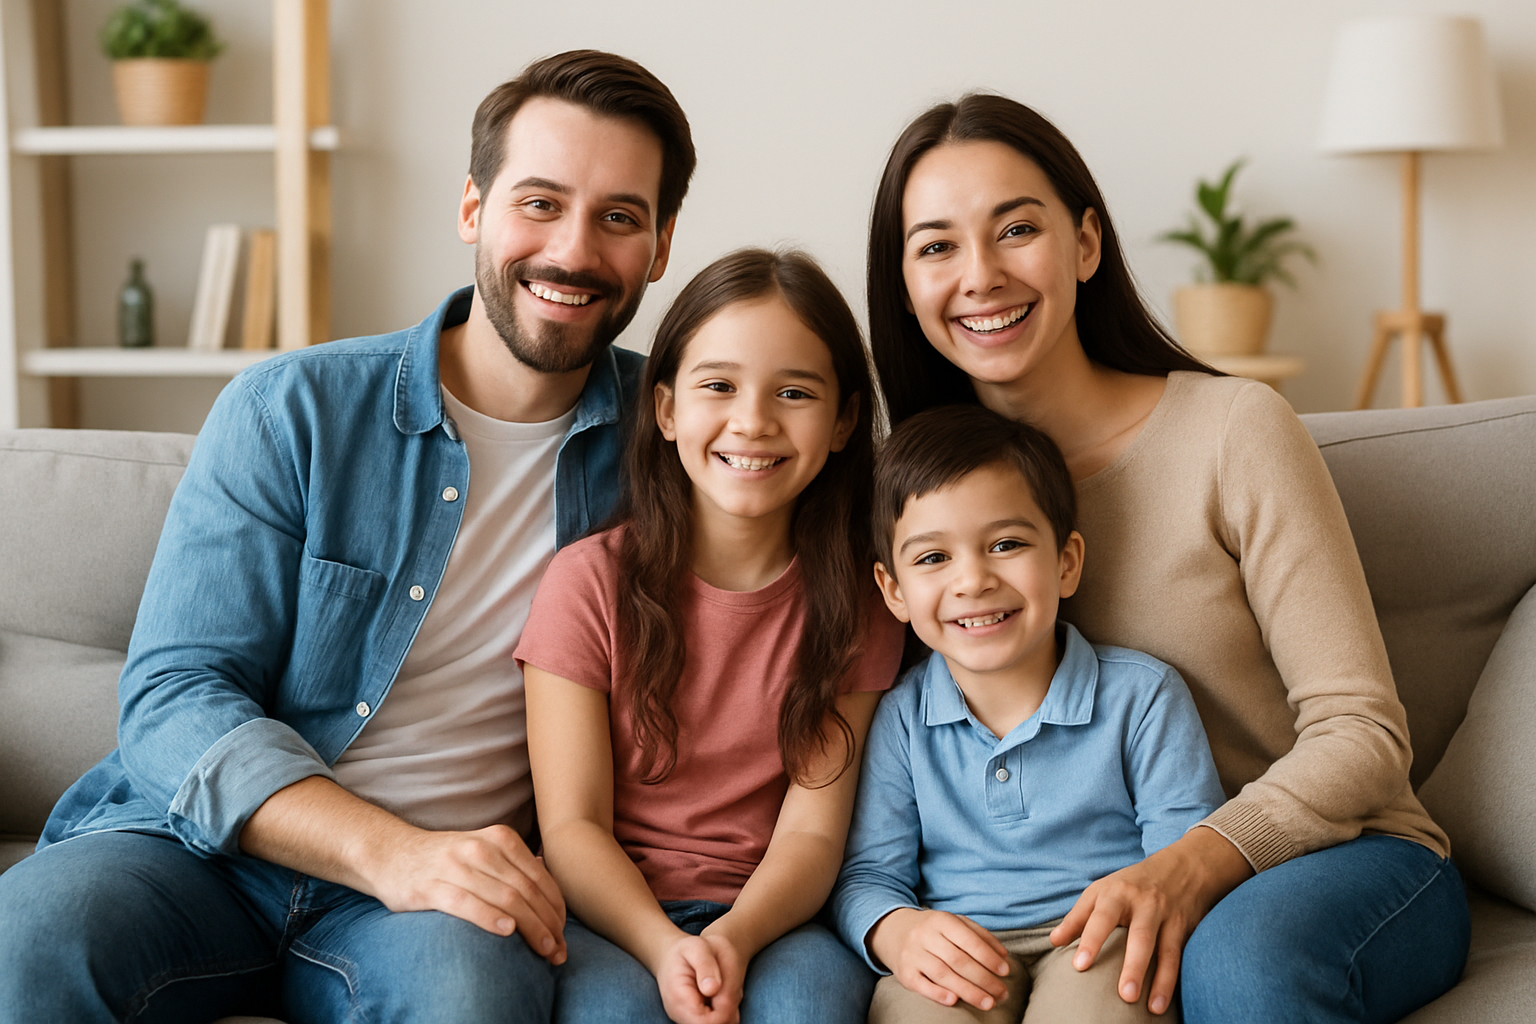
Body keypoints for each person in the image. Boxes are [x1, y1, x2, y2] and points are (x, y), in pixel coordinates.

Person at [0, 50, 694, 1024]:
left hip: (448, 889)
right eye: (539, 202)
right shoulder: (295, 410)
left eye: (618, 217)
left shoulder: (679, 442)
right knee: (27, 935)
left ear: (661, 245)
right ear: (472, 209)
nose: (572, 250)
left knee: (469, 999)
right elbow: (172, 697)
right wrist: (388, 850)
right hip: (203, 848)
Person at [863, 93, 1469, 1024]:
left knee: (1241, 964)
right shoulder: (919, 503)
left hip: (1339, 857)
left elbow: (1364, 735)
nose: (979, 275)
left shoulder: (1233, 431)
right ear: (905, 287)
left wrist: (1190, 864)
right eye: (937, 245)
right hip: (1087, 912)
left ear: (1086, 245)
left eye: (1015, 229)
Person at [516, 247, 906, 1024]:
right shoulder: (586, 582)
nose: (753, 421)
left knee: (806, 1010)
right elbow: (571, 825)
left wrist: (734, 938)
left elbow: (811, 831)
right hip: (613, 915)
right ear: (665, 411)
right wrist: (664, 946)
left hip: (775, 915)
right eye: (719, 386)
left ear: (843, 422)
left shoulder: (862, 601)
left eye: (794, 392)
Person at [831, 404, 1225, 1023]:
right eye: (934, 558)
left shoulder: (1143, 696)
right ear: (894, 590)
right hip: (958, 946)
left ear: (1066, 562)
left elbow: (1182, 855)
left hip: (1102, 936)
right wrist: (896, 931)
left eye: (1006, 544)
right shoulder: (900, 717)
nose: (973, 580)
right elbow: (868, 875)